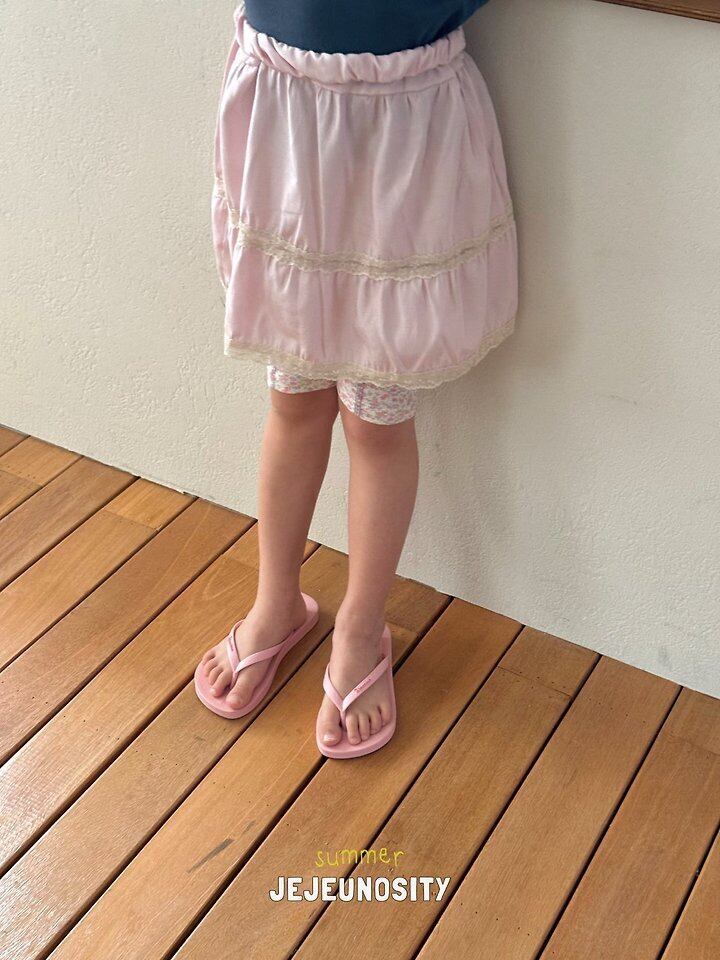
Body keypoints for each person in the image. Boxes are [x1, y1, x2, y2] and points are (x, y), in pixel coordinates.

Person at [194, 1, 518, 758]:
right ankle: (276, 601)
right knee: (294, 399)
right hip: (287, 122)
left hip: (404, 133)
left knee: (376, 421)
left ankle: (362, 628)